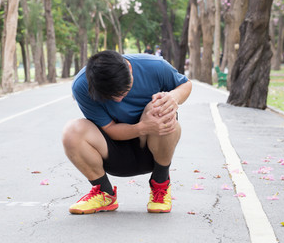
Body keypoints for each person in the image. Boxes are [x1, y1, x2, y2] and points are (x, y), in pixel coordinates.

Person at [63, 50, 192, 214]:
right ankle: (104, 193)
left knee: (161, 110)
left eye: (123, 92)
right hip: (114, 153)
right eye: (110, 96)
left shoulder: (155, 67)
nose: (118, 100)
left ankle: (160, 184)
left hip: (152, 149)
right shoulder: (82, 86)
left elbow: (186, 84)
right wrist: (143, 127)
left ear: (130, 69)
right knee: (72, 131)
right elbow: (109, 129)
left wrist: (174, 96)